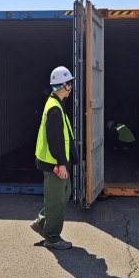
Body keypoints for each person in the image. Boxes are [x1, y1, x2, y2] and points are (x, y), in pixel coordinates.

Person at [30, 66, 79, 250]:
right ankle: (52, 238)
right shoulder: (54, 109)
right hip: (54, 162)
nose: (71, 87)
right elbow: (55, 139)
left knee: (63, 193)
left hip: (55, 161)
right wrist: (61, 163)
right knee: (57, 199)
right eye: (70, 84)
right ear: (63, 86)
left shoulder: (56, 104)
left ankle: (42, 223)